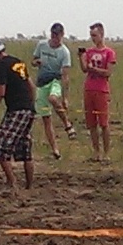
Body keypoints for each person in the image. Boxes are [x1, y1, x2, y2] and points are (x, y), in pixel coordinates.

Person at [0, 38, 38, 192]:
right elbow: (31, 85)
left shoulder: (2, 65)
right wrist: (31, 105)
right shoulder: (17, 61)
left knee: (1, 148)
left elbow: (0, 92)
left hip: (16, 109)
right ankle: (29, 186)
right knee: (25, 148)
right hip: (28, 108)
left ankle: (11, 182)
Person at [32, 22, 75, 158]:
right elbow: (33, 60)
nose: (55, 38)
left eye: (57, 35)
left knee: (53, 98)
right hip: (42, 82)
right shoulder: (42, 45)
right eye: (53, 35)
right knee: (46, 118)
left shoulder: (64, 52)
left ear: (62, 35)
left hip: (55, 80)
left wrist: (65, 97)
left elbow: (65, 76)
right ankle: (55, 149)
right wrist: (36, 62)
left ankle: (67, 123)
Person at [79, 22, 117, 161]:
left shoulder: (109, 53)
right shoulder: (89, 52)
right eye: (91, 36)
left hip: (101, 90)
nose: (93, 38)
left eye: (95, 35)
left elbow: (108, 72)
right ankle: (96, 152)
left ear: (101, 35)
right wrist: (81, 58)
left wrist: (93, 69)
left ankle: (106, 153)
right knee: (91, 123)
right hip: (89, 88)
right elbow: (84, 69)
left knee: (104, 123)